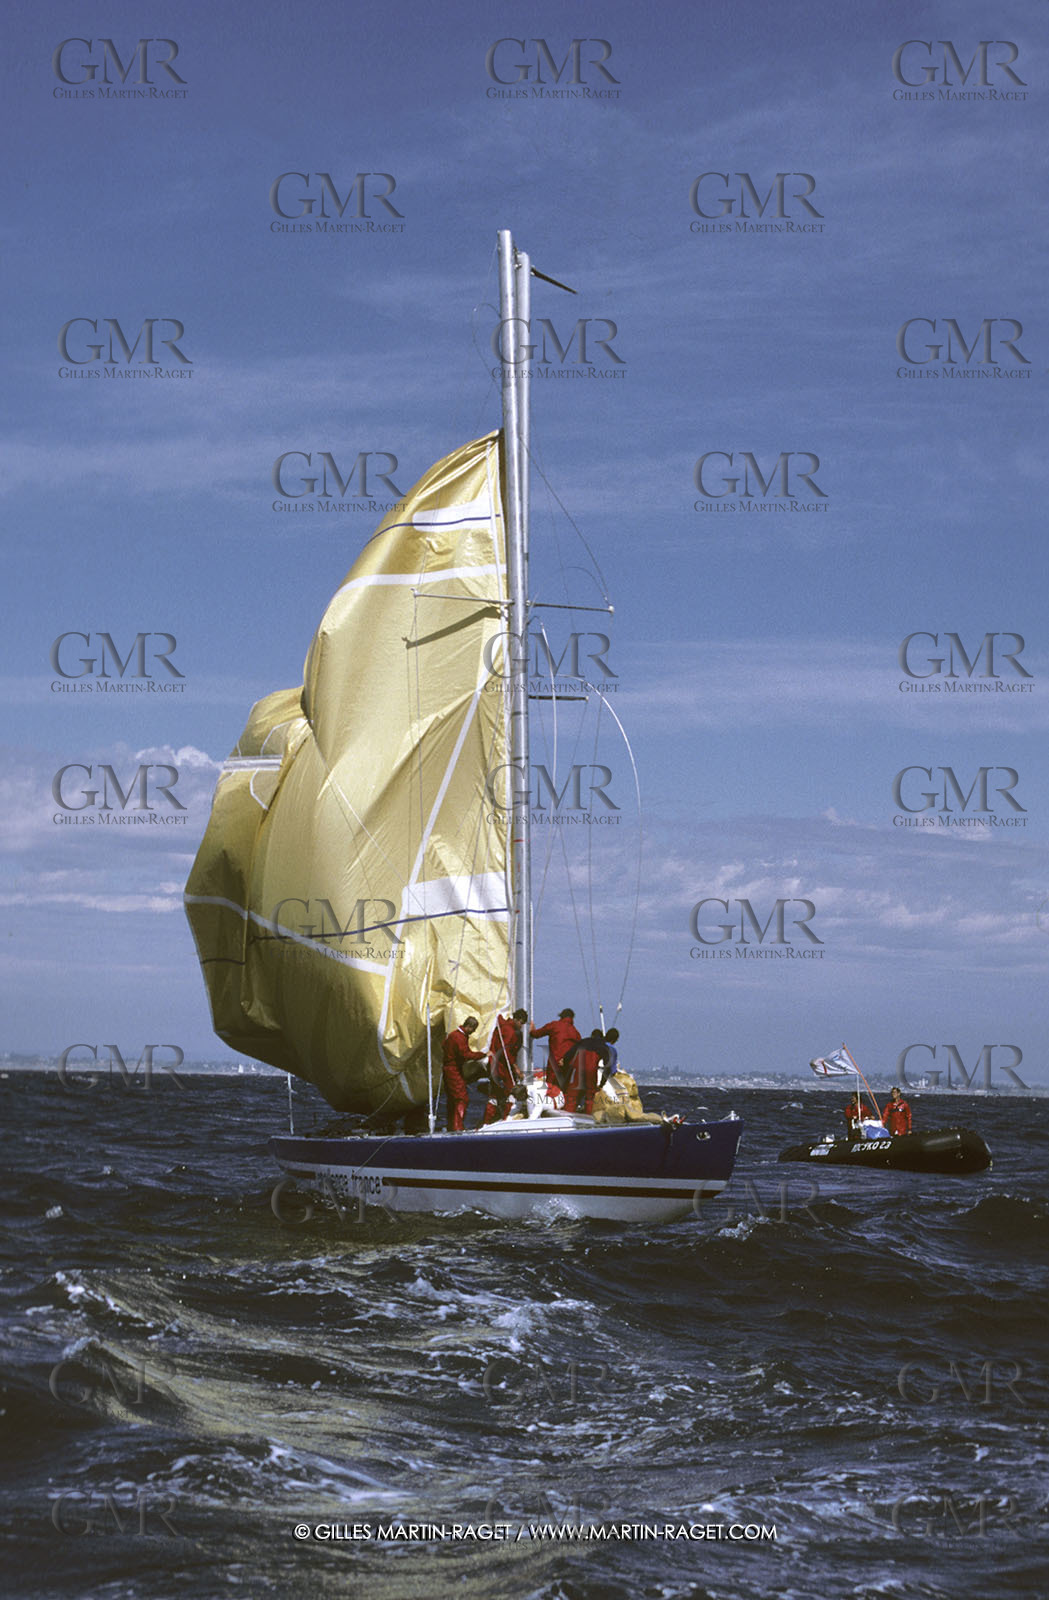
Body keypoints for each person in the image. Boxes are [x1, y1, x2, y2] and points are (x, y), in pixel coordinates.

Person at [483, 1008, 529, 1125]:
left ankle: (486, 1122)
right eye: (521, 1023)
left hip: (494, 1067)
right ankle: (506, 1120)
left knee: (494, 1095)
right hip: (503, 1068)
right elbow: (505, 1052)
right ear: (518, 1019)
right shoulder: (510, 1031)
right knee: (513, 1093)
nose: (521, 1026)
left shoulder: (501, 1026)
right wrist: (516, 1068)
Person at [441, 1016, 487, 1132]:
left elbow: (444, 1045)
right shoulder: (460, 1037)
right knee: (461, 1098)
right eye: (473, 1029)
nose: (474, 1032)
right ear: (469, 1027)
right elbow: (465, 1054)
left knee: (452, 1099)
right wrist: (482, 1054)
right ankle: (458, 1127)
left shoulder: (453, 1035)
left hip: (449, 1068)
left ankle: (451, 1126)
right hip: (453, 1069)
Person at [530, 1008, 581, 1099]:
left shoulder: (554, 1025)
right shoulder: (575, 1032)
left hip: (554, 1063)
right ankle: (562, 1108)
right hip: (568, 1064)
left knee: (550, 1088)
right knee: (564, 1089)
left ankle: (548, 1106)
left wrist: (532, 1029)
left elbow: (536, 1034)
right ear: (572, 1018)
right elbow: (579, 1048)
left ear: (561, 1016)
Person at [561, 1027, 610, 1114]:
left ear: (592, 1035)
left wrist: (565, 1068)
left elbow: (568, 1055)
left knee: (572, 1094)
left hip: (578, 1068)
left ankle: (567, 1115)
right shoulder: (604, 1046)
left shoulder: (583, 1041)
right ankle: (588, 1117)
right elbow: (608, 1067)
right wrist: (602, 1083)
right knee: (589, 1096)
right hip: (591, 1070)